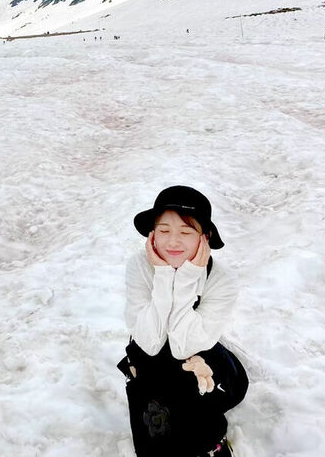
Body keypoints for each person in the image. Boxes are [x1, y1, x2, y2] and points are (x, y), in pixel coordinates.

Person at [119, 186, 248, 456]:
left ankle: (210, 446)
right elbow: (151, 342)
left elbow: (183, 347)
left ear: (205, 237)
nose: (173, 242)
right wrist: (164, 277)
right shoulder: (139, 266)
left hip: (197, 353)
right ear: (152, 233)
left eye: (186, 232)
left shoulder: (221, 278)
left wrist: (189, 277)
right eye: (164, 231)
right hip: (150, 356)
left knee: (192, 379)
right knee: (156, 407)